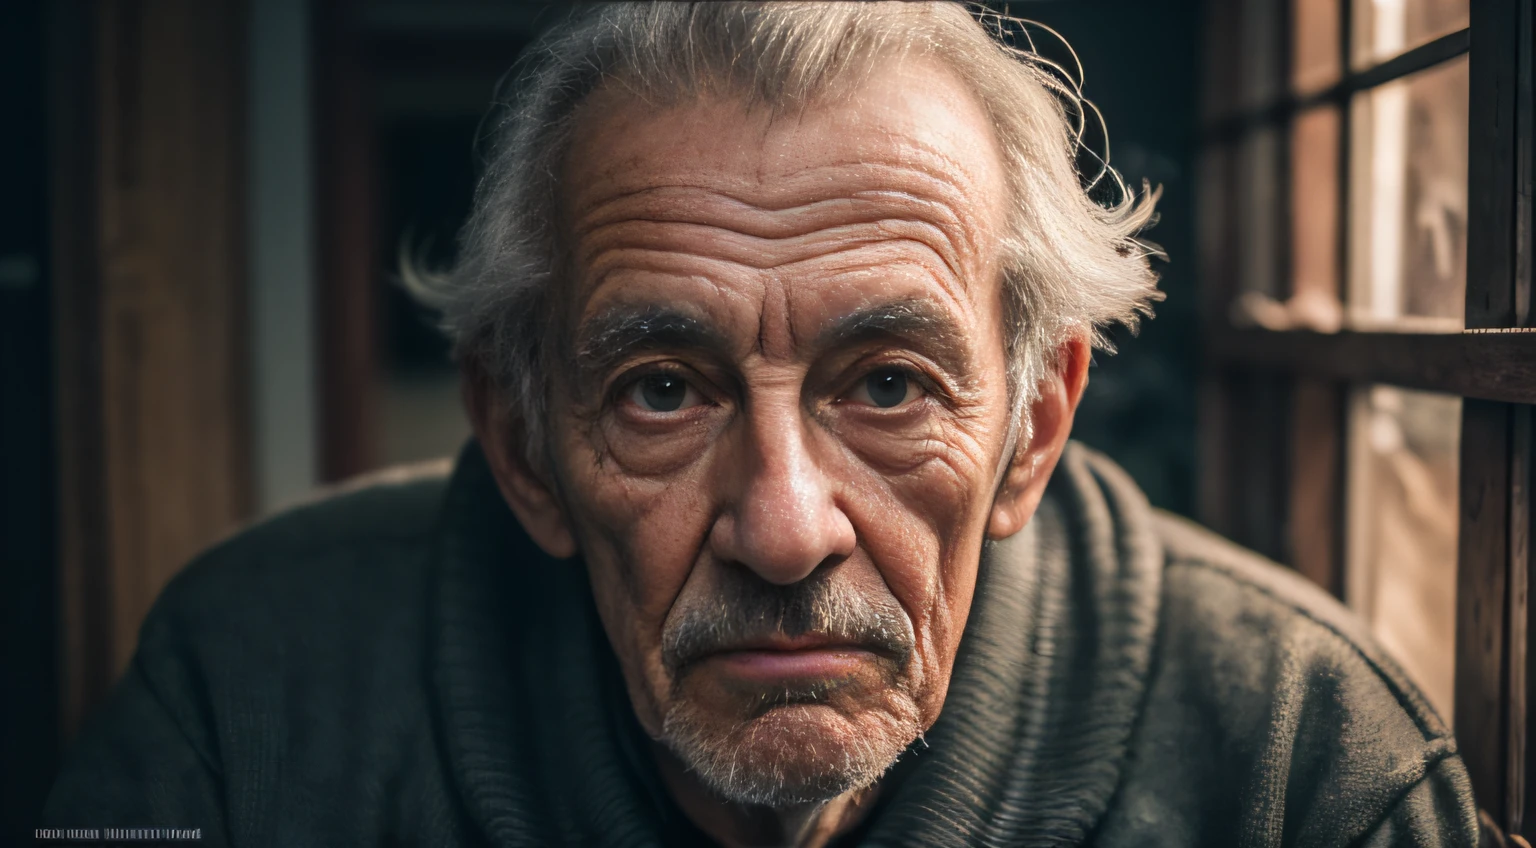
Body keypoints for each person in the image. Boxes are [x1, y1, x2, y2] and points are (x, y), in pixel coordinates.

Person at [45, 3, 1479, 846]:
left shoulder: (1303, 761)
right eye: (662, 390)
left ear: (1036, 427)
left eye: (889, 386)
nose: (787, 527)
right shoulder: (248, 696)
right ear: (527, 441)